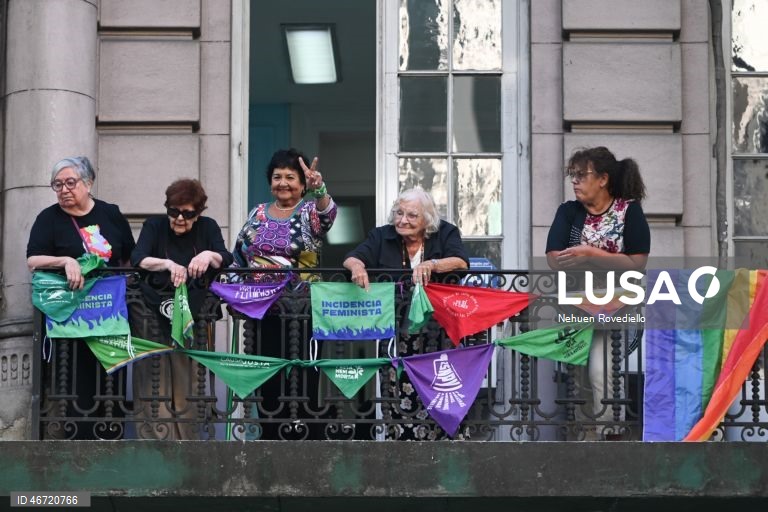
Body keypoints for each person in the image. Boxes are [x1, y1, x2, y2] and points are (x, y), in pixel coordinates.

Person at [344, 187, 469, 440]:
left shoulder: (445, 232)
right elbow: (352, 257)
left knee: (441, 389)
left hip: (439, 330)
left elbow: (460, 262)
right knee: (397, 388)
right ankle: (400, 447)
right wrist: (357, 266)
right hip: (397, 330)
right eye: (399, 213)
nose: (402, 220)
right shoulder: (382, 236)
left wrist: (432, 264)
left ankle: (444, 449)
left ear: (427, 219)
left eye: (411, 215)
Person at [545, 146, 650, 440]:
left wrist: (591, 254)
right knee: (578, 376)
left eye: (581, 175)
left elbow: (637, 263)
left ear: (602, 179)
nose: (575, 181)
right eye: (573, 175)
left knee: (601, 370)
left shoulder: (629, 211)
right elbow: (555, 257)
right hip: (576, 305)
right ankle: (584, 438)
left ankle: (608, 434)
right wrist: (608, 260)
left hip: (615, 306)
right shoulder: (568, 211)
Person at [27, 156, 135, 439]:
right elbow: (33, 260)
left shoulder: (110, 214)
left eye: (70, 183)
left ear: (88, 183)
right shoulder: (48, 218)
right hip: (72, 318)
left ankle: (112, 444)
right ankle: (81, 446)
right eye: (57, 184)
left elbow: (129, 258)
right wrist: (65, 261)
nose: (64, 189)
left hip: (110, 314)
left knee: (112, 379)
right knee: (77, 382)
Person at [130, 178, 233, 439]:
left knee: (189, 378)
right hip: (153, 310)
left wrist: (208, 255)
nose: (179, 219)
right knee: (154, 375)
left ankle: (188, 442)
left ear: (198, 214)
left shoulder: (207, 227)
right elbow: (138, 258)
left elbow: (225, 256)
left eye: (188, 214)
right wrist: (167, 264)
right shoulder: (154, 225)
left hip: (194, 314)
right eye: (173, 212)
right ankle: (156, 442)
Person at [232, 148, 337, 271]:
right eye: (277, 177)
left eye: (290, 177)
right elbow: (238, 255)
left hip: (298, 289)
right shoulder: (258, 211)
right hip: (254, 289)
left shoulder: (309, 211)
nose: (282, 183)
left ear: (303, 184)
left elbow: (327, 215)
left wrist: (319, 189)